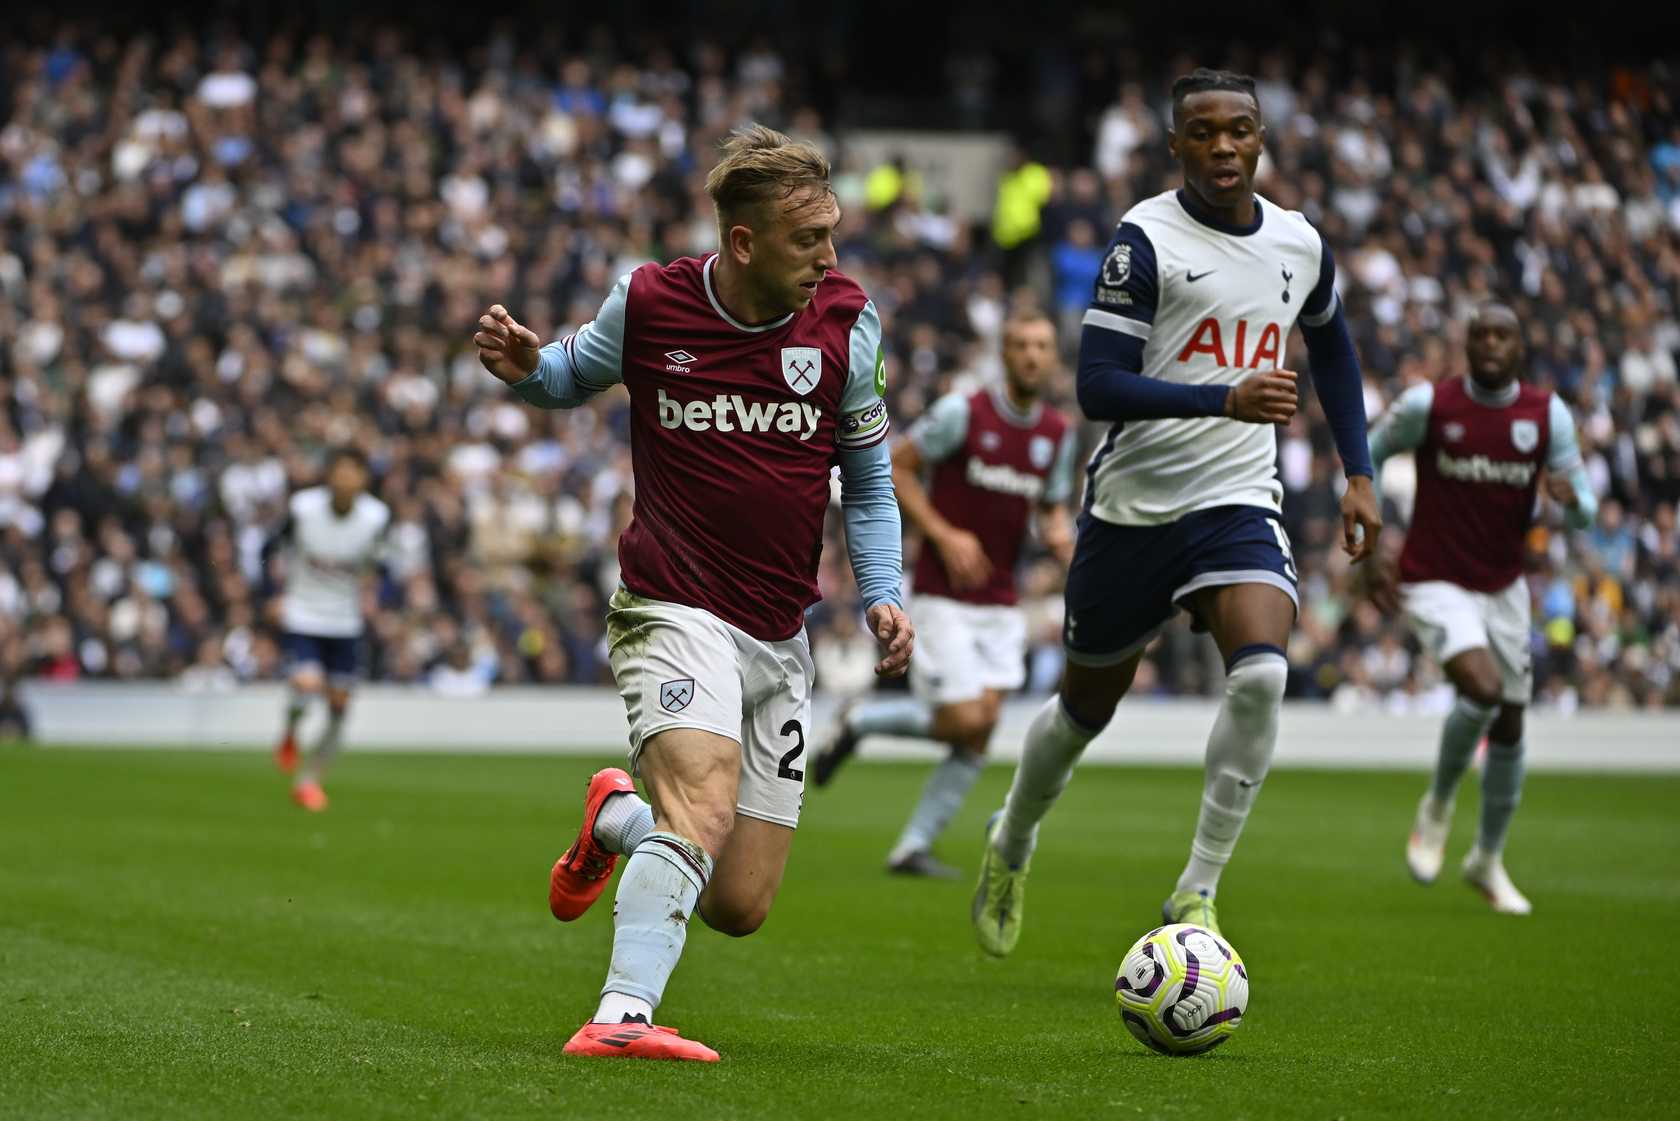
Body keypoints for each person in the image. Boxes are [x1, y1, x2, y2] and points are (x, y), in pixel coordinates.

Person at [473, 125, 914, 1062]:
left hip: (776, 633)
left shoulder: (848, 321)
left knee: (738, 903)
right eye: (808, 239)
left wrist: (882, 593)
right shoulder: (649, 302)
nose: (828, 255)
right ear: (744, 242)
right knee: (704, 805)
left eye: (831, 233)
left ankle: (616, 818)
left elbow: (868, 482)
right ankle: (621, 1015)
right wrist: (526, 369)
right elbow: (569, 372)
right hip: (671, 604)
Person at [972, 68, 1382, 955]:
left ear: (1261, 137)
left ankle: (1195, 890)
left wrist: (1360, 471)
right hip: (1133, 510)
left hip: (1236, 498)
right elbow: (1096, 385)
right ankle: (1012, 835)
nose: (1223, 147)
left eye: (1239, 129)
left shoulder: (1300, 242)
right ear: (1175, 146)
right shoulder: (1143, 240)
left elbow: (1336, 351)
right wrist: (1220, 400)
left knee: (1265, 673)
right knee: (1083, 710)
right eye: (1203, 133)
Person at [811, 309, 1077, 877]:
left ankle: (911, 847)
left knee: (978, 730)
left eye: (1042, 346)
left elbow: (1050, 504)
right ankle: (860, 723)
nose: (1032, 355)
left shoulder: (1057, 433)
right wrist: (944, 532)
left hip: (1001, 603)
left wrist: (1057, 529)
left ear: (1053, 358)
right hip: (941, 595)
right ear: (1004, 354)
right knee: (965, 719)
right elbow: (898, 467)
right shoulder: (964, 412)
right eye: (1021, 345)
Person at [1367, 301, 1596, 915]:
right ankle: (1438, 806)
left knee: (1513, 726)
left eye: (1504, 334)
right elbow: (1369, 453)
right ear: (1466, 346)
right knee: (1484, 687)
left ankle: (1487, 860)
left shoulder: (1547, 416)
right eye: (1481, 334)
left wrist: (1571, 501)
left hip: (1503, 586)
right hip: (1432, 578)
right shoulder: (1429, 406)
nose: (1492, 343)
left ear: (1519, 347)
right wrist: (1371, 546)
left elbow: (1587, 510)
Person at [264, 447, 390, 812]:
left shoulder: (376, 517)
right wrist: (273, 595)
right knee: (306, 684)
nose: (346, 479)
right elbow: (269, 548)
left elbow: (381, 565)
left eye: (354, 471)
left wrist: (374, 596)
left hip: (345, 620)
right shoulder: (303, 508)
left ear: (364, 479)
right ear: (329, 475)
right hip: (303, 612)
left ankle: (308, 781)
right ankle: (290, 730)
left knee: (339, 705)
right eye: (340, 470)